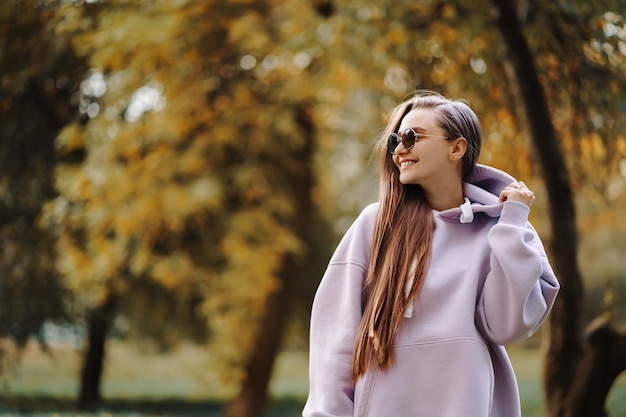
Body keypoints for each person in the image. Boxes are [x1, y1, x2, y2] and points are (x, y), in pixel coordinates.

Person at [302, 91, 560, 417]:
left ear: (456, 148)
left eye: (413, 137)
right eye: (396, 139)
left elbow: (506, 326)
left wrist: (511, 224)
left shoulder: (504, 230)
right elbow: (336, 341)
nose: (399, 149)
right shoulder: (374, 225)